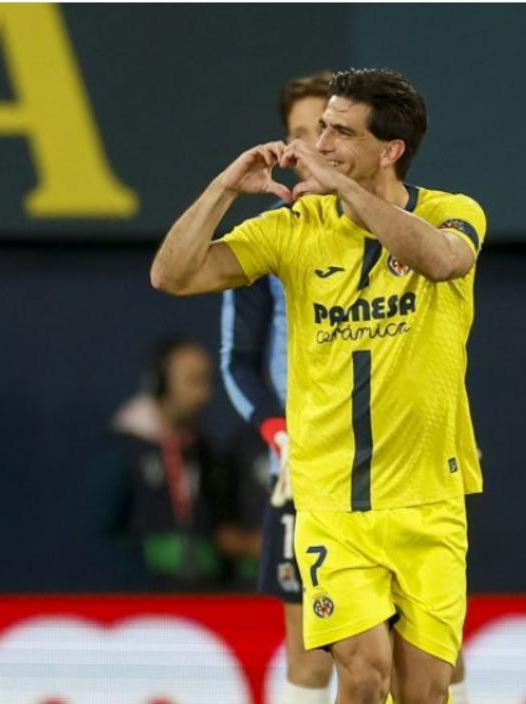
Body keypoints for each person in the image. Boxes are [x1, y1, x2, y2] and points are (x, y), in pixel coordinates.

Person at [152, 68, 486, 704]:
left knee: (427, 691)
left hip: (428, 498)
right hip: (330, 500)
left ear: (390, 151)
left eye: (340, 132)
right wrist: (225, 187)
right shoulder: (293, 230)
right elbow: (171, 275)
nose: (320, 143)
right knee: (363, 672)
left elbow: (442, 261)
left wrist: (339, 187)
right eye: (320, 128)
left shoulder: (453, 212)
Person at [220, 70, 338, 704]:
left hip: (397, 471)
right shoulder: (269, 235)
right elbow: (238, 363)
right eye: (296, 132)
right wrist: (283, 436)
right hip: (305, 467)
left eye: (322, 130)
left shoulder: (404, 224)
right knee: (311, 662)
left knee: (423, 661)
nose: (307, 146)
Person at [107, 337, 259, 591]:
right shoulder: (124, 448)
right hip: (142, 597)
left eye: (206, 382)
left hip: (203, 594)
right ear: (160, 385)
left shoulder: (203, 451)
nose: (204, 394)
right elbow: (104, 531)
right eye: (192, 381)